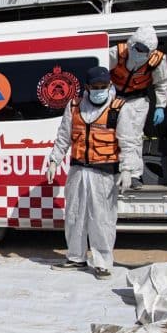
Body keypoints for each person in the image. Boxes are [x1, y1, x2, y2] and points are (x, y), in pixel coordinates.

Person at [47, 66, 139, 280]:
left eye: (103, 87)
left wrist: (128, 169)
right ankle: (75, 257)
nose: (99, 90)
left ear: (109, 86)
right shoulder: (74, 106)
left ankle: (103, 262)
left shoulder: (119, 108)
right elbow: (63, 137)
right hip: (78, 169)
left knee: (102, 219)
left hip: (104, 173)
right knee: (75, 215)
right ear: (87, 87)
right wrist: (53, 161)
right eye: (95, 87)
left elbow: (128, 142)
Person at [109, 25, 167, 189]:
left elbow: (162, 83)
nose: (139, 51)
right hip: (114, 98)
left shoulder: (157, 60)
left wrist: (160, 106)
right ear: (131, 43)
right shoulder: (118, 52)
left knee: (133, 138)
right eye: (137, 47)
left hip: (137, 100)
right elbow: (101, 70)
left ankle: (134, 175)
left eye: (144, 48)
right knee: (111, 136)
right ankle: (114, 171)